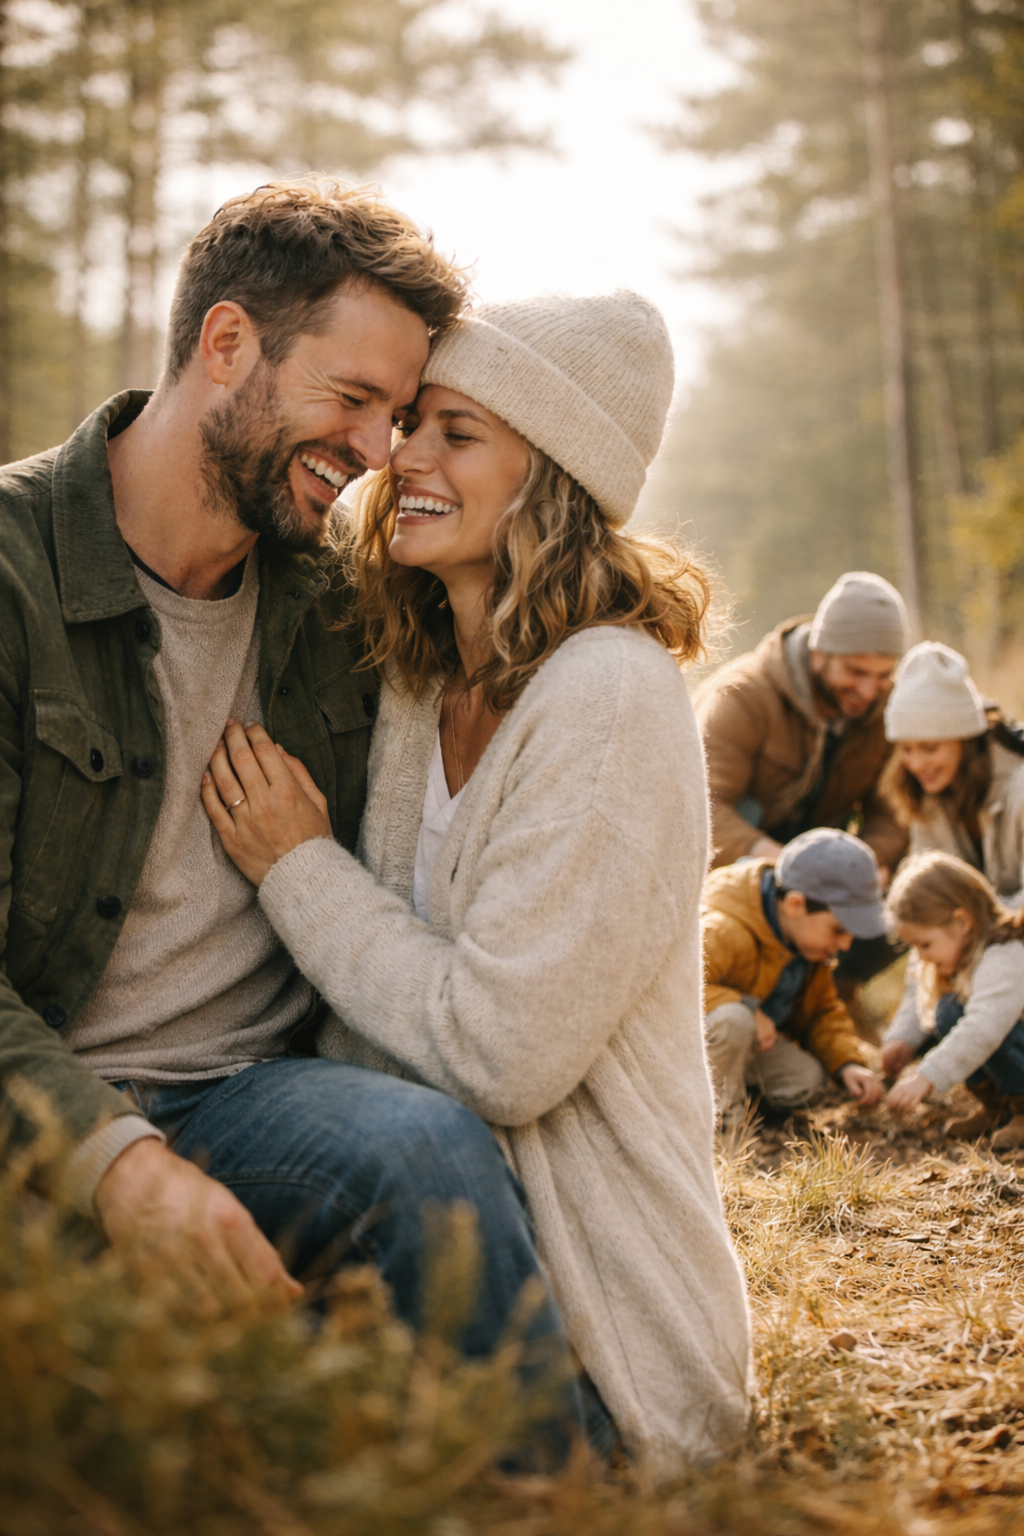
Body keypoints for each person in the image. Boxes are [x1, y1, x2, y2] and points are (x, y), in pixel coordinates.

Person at [0, 180, 575, 1399]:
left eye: (403, 415)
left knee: (416, 1148)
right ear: (226, 345)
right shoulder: (13, 580)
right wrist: (120, 1164)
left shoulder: (340, 606)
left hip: (267, 1099)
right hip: (43, 1114)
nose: (379, 453)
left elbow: (527, 589)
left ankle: (566, 1498)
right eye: (354, 401)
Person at [201, 291, 753, 1471]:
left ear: (551, 477)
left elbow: (503, 1055)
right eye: (411, 423)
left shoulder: (608, 697)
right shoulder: (420, 680)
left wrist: (297, 869)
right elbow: (385, 1017)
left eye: (458, 432)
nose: (404, 457)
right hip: (430, 1273)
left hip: (606, 1356)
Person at [693, 571, 909, 992]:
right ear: (820, 651)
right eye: (856, 670)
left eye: (883, 675)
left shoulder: (884, 709)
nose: (869, 689)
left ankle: (834, 989)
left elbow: (895, 809)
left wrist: (869, 862)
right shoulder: (741, 697)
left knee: (917, 872)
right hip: (744, 863)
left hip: (825, 860)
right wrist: (782, 863)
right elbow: (701, 808)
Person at [879, 643, 1024, 1085]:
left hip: (1014, 954)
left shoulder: (1020, 790)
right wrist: (904, 1032)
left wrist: (981, 923)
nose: (916, 763)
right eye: (905, 749)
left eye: (929, 747)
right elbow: (927, 920)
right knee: (946, 1011)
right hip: (993, 952)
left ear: (965, 736)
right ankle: (1000, 1099)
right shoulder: (930, 806)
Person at [703, 828, 886, 1130]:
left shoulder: (806, 945)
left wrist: (847, 1063)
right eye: (839, 930)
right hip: (695, 1041)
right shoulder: (722, 929)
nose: (846, 945)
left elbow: (821, 1011)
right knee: (733, 1019)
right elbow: (670, 992)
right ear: (795, 905)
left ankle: (740, 1096)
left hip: (747, 1046)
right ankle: (718, 1125)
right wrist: (747, 1007)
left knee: (805, 1080)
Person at [886, 853, 1024, 1150]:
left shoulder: (1005, 954)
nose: (922, 956)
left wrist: (926, 1076)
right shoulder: (969, 960)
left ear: (962, 922)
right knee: (947, 1011)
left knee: (978, 1022)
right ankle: (999, 1107)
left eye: (925, 944)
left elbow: (984, 1029)